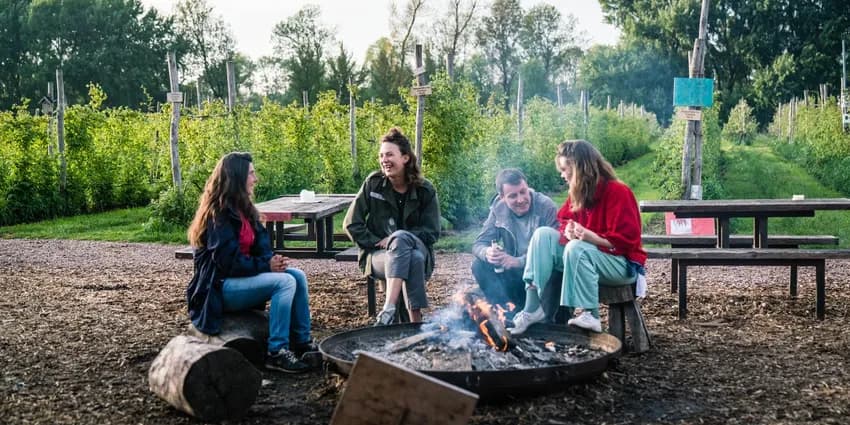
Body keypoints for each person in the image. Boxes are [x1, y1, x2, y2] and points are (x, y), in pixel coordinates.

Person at [185, 152, 316, 373]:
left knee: (297, 276)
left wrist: (273, 261)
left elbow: (261, 249)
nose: (255, 179)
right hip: (218, 288)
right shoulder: (219, 215)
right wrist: (266, 267)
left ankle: (302, 342)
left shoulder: (245, 210)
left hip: (241, 280)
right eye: (251, 174)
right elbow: (228, 263)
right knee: (284, 283)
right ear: (237, 178)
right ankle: (277, 352)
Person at [508, 140, 647, 335]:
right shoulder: (578, 193)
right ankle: (532, 309)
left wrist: (592, 238)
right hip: (589, 257)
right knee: (542, 235)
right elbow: (564, 219)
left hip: (623, 266)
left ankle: (591, 315)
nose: (562, 174)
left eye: (565, 169)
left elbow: (627, 242)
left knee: (576, 248)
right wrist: (569, 230)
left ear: (581, 168)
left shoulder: (618, 192)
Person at [343, 127, 441, 325]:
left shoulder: (425, 190)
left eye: (389, 154)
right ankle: (416, 323)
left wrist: (399, 238)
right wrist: (378, 242)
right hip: (380, 255)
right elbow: (351, 223)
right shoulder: (373, 184)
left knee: (404, 242)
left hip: (418, 250)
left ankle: (388, 308)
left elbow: (432, 232)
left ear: (405, 158)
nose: (384, 160)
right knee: (409, 256)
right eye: (381, 155)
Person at [471, 168, 559, 310]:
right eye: (512, 196)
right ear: (502, 197)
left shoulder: (545, 206)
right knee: (479, 265)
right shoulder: (498, 209)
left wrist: (519, 261)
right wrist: (487, 252)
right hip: (515, 275)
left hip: (542, 277)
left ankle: (544, 313)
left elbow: (556, 251)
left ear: (527, 186)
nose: (521, 199)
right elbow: (478, 244)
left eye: (523, 192)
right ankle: (506, 313)